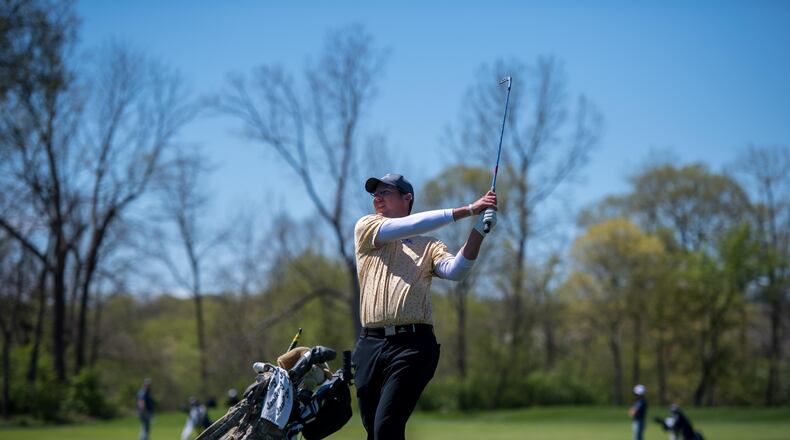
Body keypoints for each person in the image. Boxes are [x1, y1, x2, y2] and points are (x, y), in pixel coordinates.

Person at [352, 173, 497, 440]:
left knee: (387, 428)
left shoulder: (429, 245)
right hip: (369, 345)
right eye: (375, 193)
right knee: (374, 431)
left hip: (412, 346)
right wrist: (468, 209)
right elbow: (408, 226)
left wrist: (478, 230)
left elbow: (455, 271)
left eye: (385, 192)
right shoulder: (367, 227)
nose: (377, 198)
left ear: (407, 198)